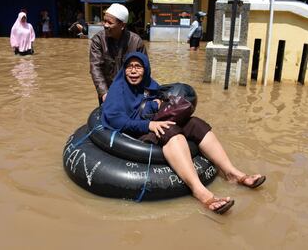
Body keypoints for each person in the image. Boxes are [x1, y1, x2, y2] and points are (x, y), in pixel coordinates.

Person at [102, 52, 266, 214]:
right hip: (135, 133)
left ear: (146, 69)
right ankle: (200, 191)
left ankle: (232, 173)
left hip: (155, 122)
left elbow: (164, 103)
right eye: (129, 67)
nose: (133, 71)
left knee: (196, 124)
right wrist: (149, 124)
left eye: (138, 67)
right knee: (169, 129)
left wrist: (163, 104)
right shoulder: (118, 89)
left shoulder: (151, 85)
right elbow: (115, 120)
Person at [90, 3, 147, 104]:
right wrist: (104, 92)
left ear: (122, 25)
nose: (105, 25)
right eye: (104, 21)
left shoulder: (136, 42)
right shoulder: (98, 40)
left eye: (110, 22)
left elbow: (144, 69)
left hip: (130, 92)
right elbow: (96, 68)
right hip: (107, 92)